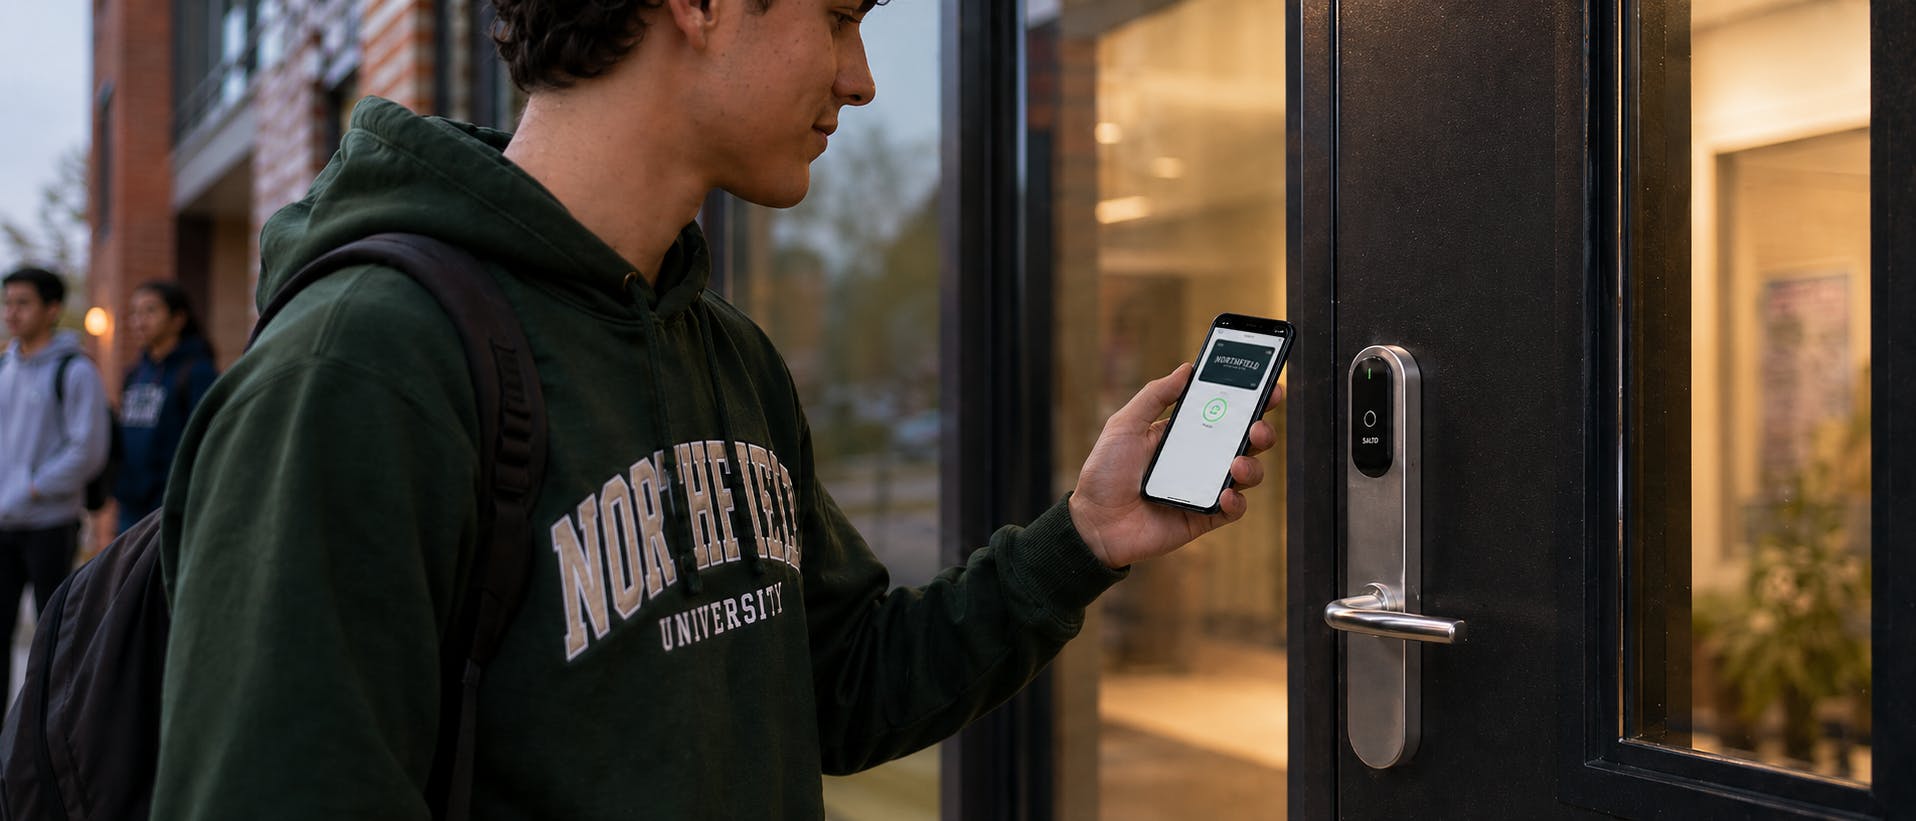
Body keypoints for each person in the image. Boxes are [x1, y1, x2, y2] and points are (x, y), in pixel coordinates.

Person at [152, 0, 1286, 816]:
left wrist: (1081, 538)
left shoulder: (729, 355)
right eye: (838, 18)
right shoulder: (360, 368)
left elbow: (844, 688)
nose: (861, 79)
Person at [0, 267, 110, 701]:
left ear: (52, 309)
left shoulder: (75, 371)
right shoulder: (5, 368)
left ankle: (44, 729)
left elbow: (88, 450)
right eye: (8, 303)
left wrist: (32, 488)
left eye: (23, 303)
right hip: (3, 524)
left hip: (51, 523)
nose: (12, 312)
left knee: (52, 639)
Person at [113, 281, 219, 534]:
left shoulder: (198, 372)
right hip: (130, 508)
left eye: (150, 311)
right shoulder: (134, 374)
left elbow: (208, 440)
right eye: (135, 313)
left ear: (177, 319)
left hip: (173, 508)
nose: (140, 321)